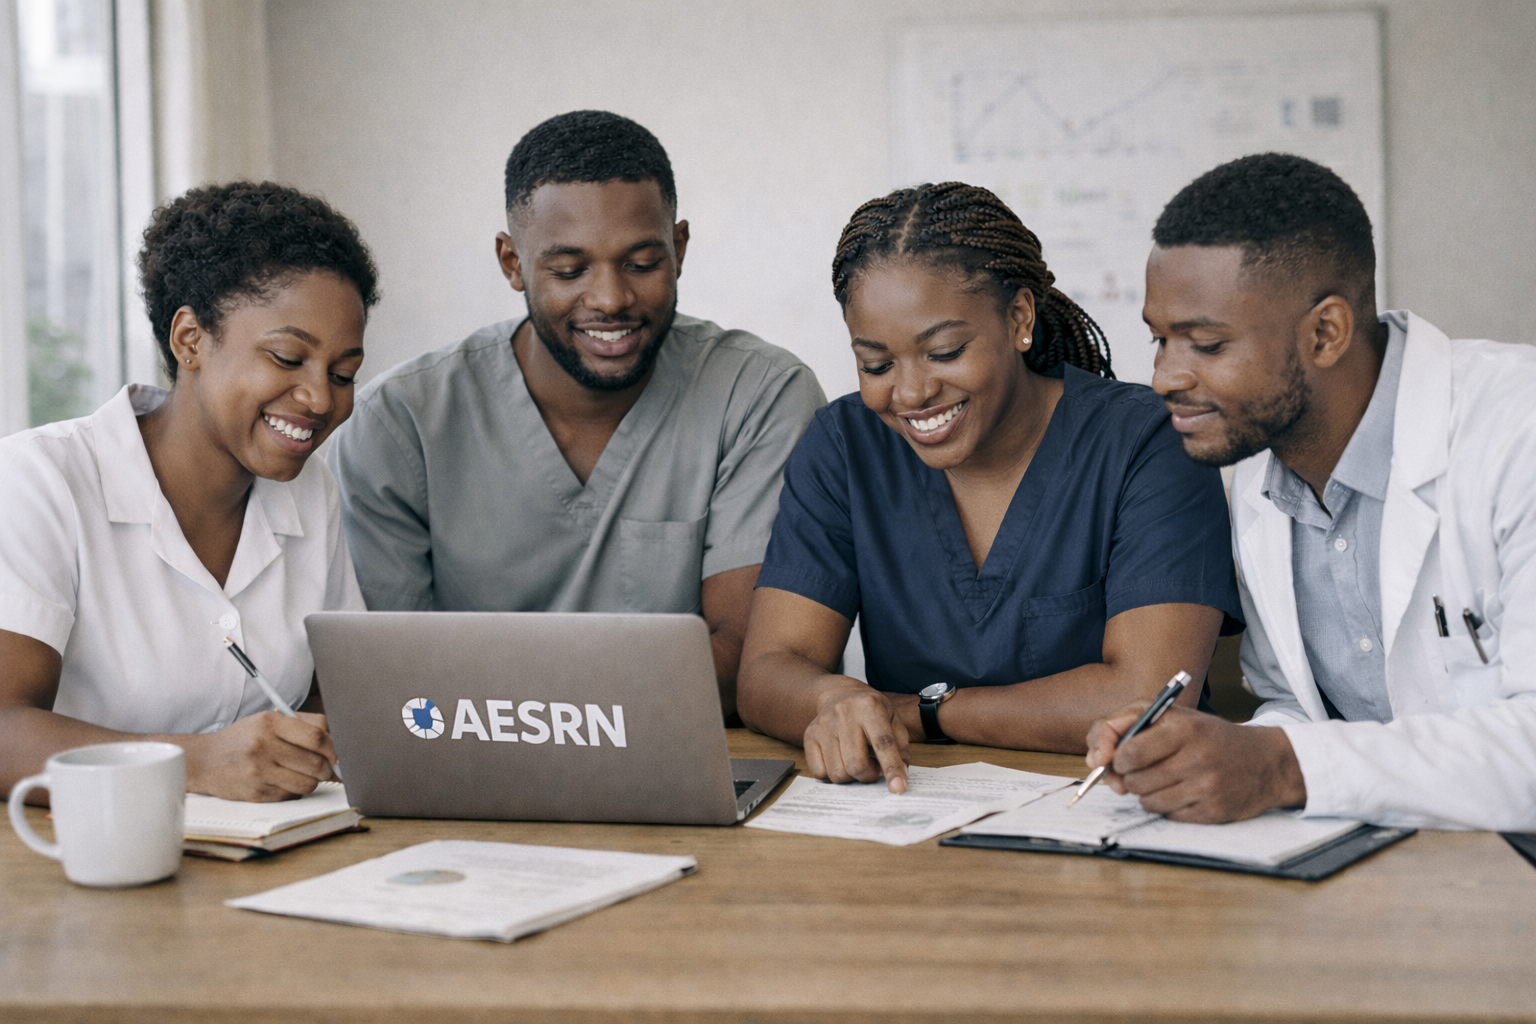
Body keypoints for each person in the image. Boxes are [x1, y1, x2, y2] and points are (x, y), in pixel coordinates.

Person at [736, 182, 1243, 792]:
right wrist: (829, 698)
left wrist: (917, 712)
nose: (912, 392)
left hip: (1126, 810)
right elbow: (766, 672)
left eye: (945, 352)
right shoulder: (847, 445)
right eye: (876, 364)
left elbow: (1145, 696)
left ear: (1019, 318)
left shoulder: (1149, 443)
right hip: (917, 821)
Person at [1088, 152, 1536, 831]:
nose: (1165, 378)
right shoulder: (1260, 471)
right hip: (1391, 872)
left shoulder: (1516, 430)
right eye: (1161, 340)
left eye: (1205, 345)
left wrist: (1279, 765)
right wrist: (1195, 752)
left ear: (1325, 332)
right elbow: (1302, 709)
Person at [328, 111, 824, 718]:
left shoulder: (759, 396)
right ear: (512, 263)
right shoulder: (401, 423)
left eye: (642, 264)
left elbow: (750, 663)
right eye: (568, 270)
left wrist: (511, 703)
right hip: (475, 775)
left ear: (680, 248)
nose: (611, 299)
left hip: (685, 764)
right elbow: (392, 675)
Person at [0, 182, 377, 802]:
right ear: (190, 340)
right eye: (287, 358)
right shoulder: (41, 481)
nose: (319, 398)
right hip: (78, 863)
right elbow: (5, 728)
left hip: (261, 855)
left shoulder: (312, 495)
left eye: (343, 374)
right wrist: (195, 763)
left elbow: (324, 700)